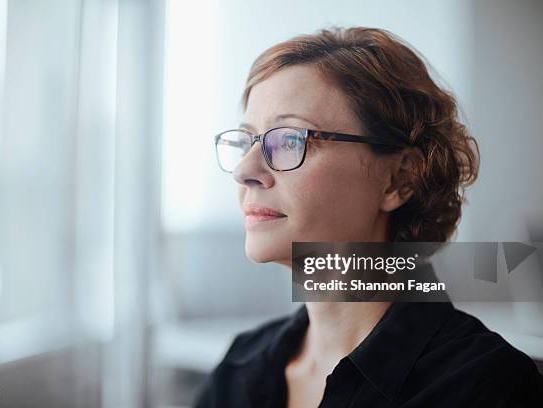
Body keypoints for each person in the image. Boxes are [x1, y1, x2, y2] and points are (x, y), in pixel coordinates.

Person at [196, 27, 543, 407]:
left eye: (290, 140)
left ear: (399, 179)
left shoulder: (486, 388)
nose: (244, 170)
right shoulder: (239, 369)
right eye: (248, 141)